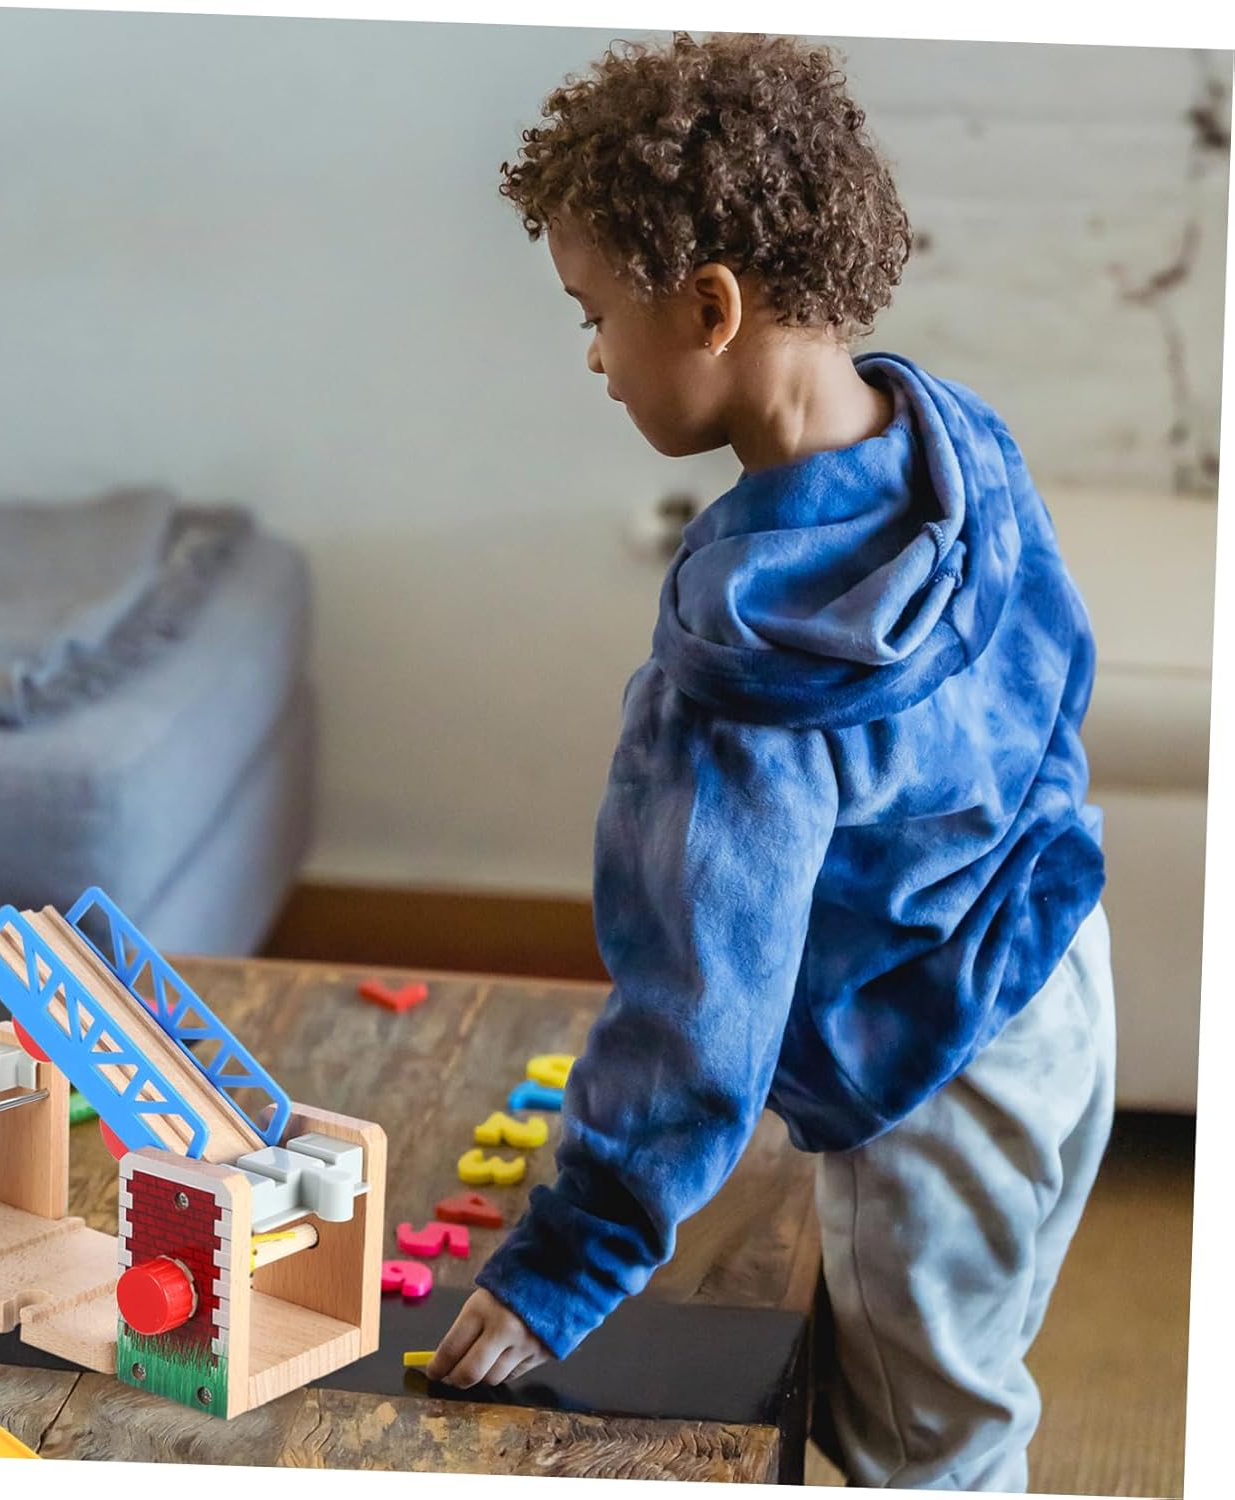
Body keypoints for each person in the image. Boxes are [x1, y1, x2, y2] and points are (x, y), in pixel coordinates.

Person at [425, 31, 1116, 1493]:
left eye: (595, 315)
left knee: (924, 1446)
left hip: (924, 1084)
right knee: (979, 1365)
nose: (594, 357)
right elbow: (1061, 686)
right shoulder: (960, 446)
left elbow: (698, 1014)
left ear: (712, 305)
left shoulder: (739, 663)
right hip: (1064, 979)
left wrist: (565, 1265)